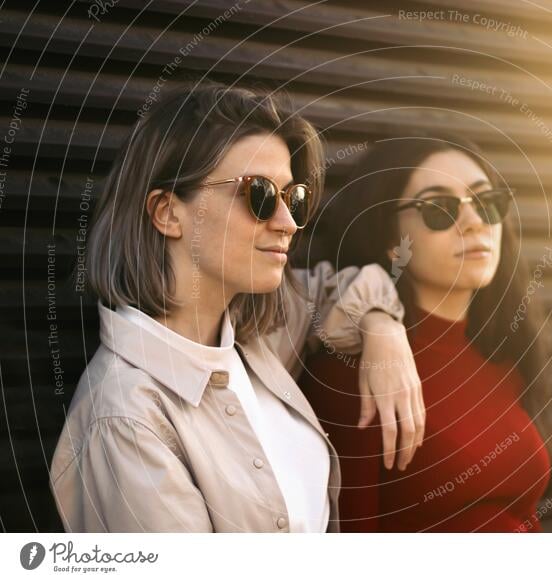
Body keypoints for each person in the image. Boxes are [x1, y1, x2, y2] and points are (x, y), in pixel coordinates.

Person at [48, 83, 425, 532]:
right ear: (167, 213)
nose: (287, 223)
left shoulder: (256, 331)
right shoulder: (127, 419)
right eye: (259, 195)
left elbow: (336, 288)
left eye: (294, 198)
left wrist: (383, 328)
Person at [299, 133, 552, 532]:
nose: (474, 222)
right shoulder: (356, 376)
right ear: (392, 241)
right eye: (440, 208)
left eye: (486, 203)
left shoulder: (502, 357)